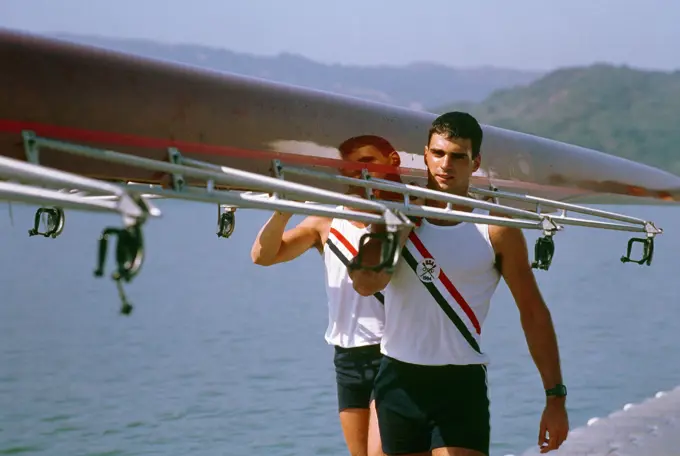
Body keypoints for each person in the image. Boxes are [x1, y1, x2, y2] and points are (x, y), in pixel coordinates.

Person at [348, 112, 569, 456]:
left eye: (457, 156)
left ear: (475, 162)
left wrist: (555, 398)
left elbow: (533, 311)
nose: (445, 164)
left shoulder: (495, 227)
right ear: (425, 154)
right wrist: (398, 232)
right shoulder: (396, 213)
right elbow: (365, 284)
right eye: (437, 153)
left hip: (460, 384)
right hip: (399, 379)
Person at [250, 135, 405, 456]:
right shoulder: (325, 221)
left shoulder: (396, 220)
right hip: (346, 356)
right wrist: (284, 209)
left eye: (367, 164)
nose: (358, 173)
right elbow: (263, 256)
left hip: (390, 351)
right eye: (350, 166)